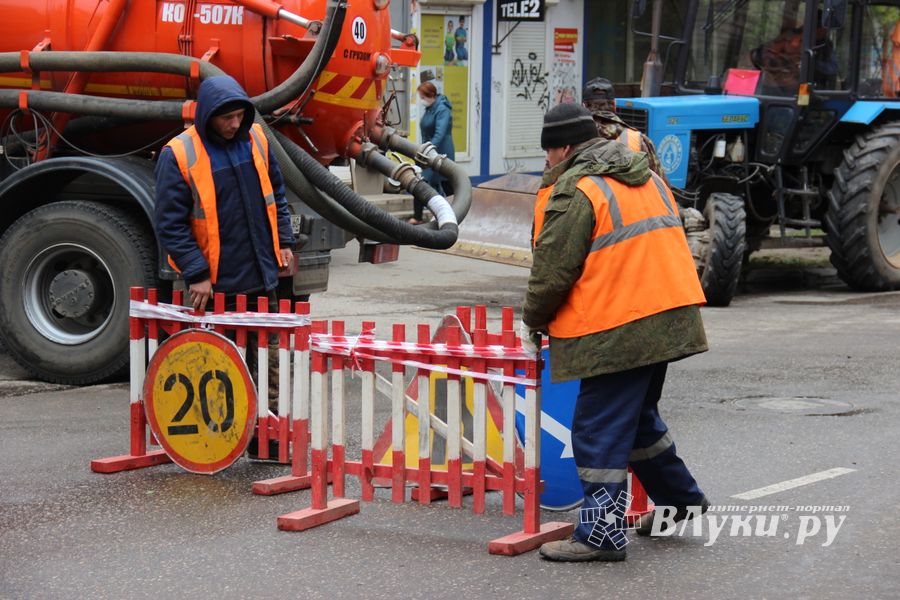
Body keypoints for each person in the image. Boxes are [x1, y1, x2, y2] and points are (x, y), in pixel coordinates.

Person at [521, 103, 709, 562]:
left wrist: (534, 320)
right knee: (639, 421)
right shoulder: (644, 175)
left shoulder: (577, 188)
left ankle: (601, 535)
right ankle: (679, 501)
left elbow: (553, 271)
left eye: (548, 154)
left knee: (597, 429)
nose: (546, 163)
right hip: (669, 316)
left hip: (619, 323)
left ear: (562, 148)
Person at [154, 75, 295, 436]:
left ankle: (269, 436)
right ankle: (223, 437)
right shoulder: (180, 154)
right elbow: (170, 224)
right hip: (218, 286)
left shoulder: (256, 140)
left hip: (262, 278)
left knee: (268, 361)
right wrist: (196, 271)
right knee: (220, 366)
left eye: (239, 116)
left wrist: (284, 242)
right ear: (208, 115)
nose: (234, 124)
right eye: (226, 118)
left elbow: (276, 196)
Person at [582, 77, 666, 181]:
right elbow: (661, 185)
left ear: (584, 106)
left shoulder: (570, 140)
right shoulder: (639, 140)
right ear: (615, 105)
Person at [410, 81, 455, 224]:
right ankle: (418, 216)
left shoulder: (442, 109)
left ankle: (456, 213)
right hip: (429, 151)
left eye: (422, 97)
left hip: (441, 151)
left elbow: (440, 133)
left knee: (446, 185)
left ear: (431, 95)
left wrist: (427, 150)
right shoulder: (430, 109)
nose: (421, 100)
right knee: (422, 181)